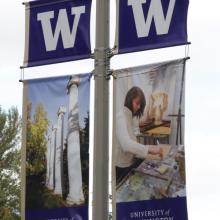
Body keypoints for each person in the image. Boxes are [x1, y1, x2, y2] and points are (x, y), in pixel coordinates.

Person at [116, 86, 163, 184]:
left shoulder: (129, 117)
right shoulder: (121, 117)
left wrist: (149, 150)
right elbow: (126, 144)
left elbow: (132, 143)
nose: (138, 107)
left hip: (129, 162)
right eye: (137, 103)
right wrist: (149, 149)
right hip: (121, 167)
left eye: (140, 105)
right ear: (129, 99)